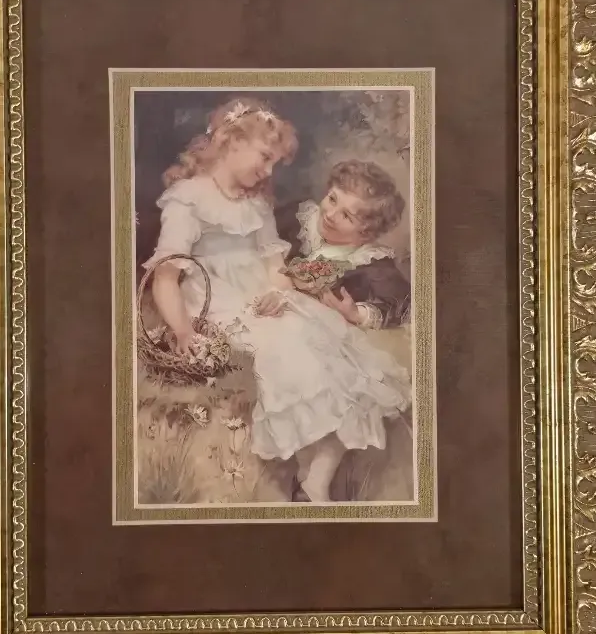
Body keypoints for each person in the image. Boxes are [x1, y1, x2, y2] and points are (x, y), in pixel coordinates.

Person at [145, 98, 411, 502]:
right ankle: (309, 477)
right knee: (289, 349)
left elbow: (275, 269)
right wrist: (182, 330)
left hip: (261, 299)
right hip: (216, 302)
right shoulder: (189, 199)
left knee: (334, 350)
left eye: (275, 163)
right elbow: (166, 276)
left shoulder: (256, 206)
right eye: (266, 157)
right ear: (231, 141)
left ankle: (314, 479)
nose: (269, 171)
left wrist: (277, 293)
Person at [275, 159, 411, 331]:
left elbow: (403, 305)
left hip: (312, 328)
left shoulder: (370, 263)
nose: (330, 215)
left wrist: (356, 314)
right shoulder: (299, 217)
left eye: (346, 216)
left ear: (366, 232)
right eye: (332, 199)